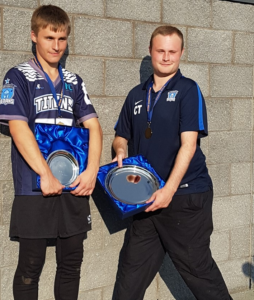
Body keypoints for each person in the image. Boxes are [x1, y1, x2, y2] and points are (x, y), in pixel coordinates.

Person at [112, 25, 232, 300]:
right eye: (160, 51)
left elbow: (189, 145)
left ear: (181, 53)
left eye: (172, 52)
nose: (166, 57)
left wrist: (169, 191)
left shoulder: (188, 90)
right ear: (151, 52)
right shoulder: (136, 95)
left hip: (185, 197)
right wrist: (120, 150)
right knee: (130, 275)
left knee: (199, 272)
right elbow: (121, 136)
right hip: (147, 199)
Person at [0, 5, 102, 300]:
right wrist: (44, 173)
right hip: (35, 187)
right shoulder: (18, 76)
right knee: (31, 265)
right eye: (49, 38)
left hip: (73, 186)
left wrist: (91, 170)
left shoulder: (74, 81)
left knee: (71, 263)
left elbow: (94, 127)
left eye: (62, 39)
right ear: (34, 36)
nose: (56, 46)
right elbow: (18, 128)